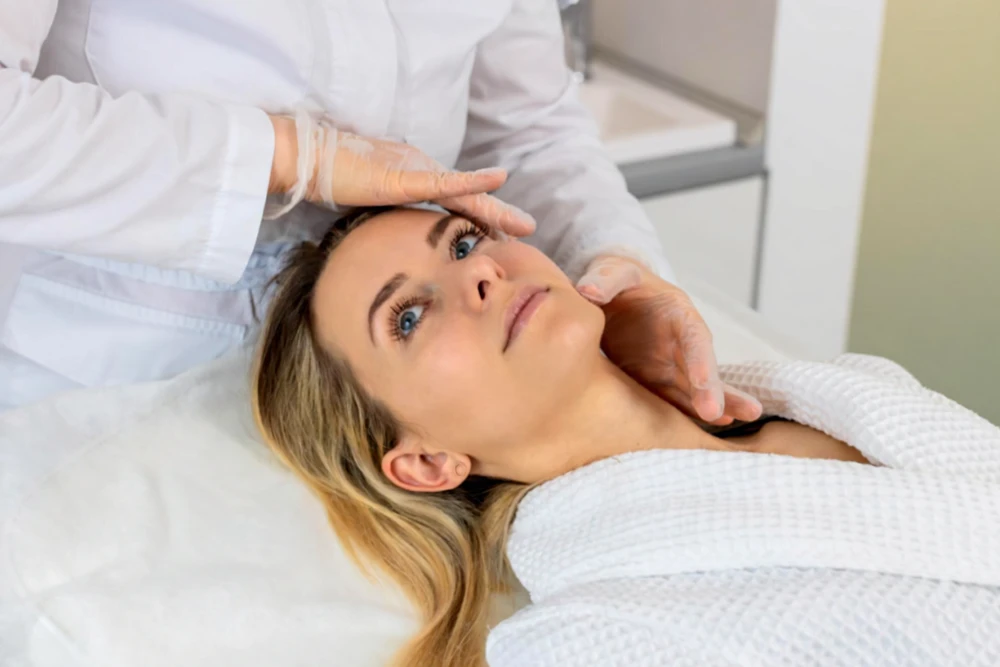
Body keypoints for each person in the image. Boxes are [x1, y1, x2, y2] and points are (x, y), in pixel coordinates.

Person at [252, 206, 1000, 666]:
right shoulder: (586, 639)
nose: (479, 274)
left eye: (462, 242)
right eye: (408, 317)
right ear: (425, 462)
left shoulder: (853, 390)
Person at [0, 0, 757, 422]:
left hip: (412, 412)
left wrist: (611, 260)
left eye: (467, 249)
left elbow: (527, 129)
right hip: (114, 382)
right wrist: (291, 158)